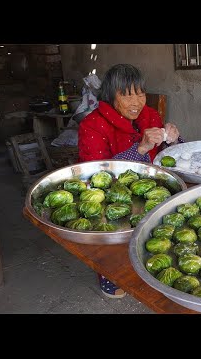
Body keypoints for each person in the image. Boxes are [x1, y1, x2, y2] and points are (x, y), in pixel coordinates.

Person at [78, 63, 183, 298]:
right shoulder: (92, 125)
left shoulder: (151, 115)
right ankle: (109, 272)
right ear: (110, 96)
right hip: (112, 197)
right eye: (126, 95)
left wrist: (173, 140)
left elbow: (169, 156)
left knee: (159, 232)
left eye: (140, 93)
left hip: (152, 189)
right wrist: (141, 149)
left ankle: (151, 264)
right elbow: (97, 177)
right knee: (114, 231)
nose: (136, 102)